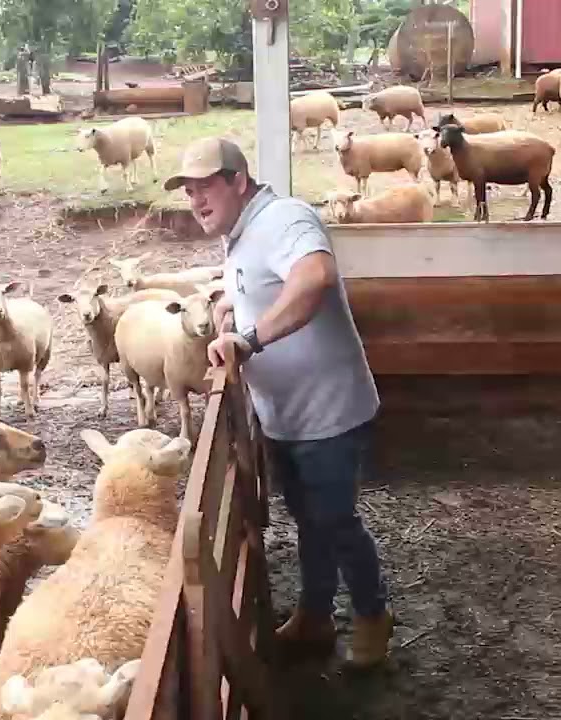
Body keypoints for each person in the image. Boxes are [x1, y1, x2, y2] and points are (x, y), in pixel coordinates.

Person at [162, 136, 393, 668]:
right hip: (286, 414)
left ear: (238, 182)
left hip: (327, 411)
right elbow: (253, 288)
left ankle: (373, 615)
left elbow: (313, 277)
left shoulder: (286, 218)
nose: (196, 200)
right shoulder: (242, 234)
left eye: (205, 188)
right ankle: (315, 616)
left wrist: (249, 340)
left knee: (334, 519)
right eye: (189, 191)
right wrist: (226, 308)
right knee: (307, 517)